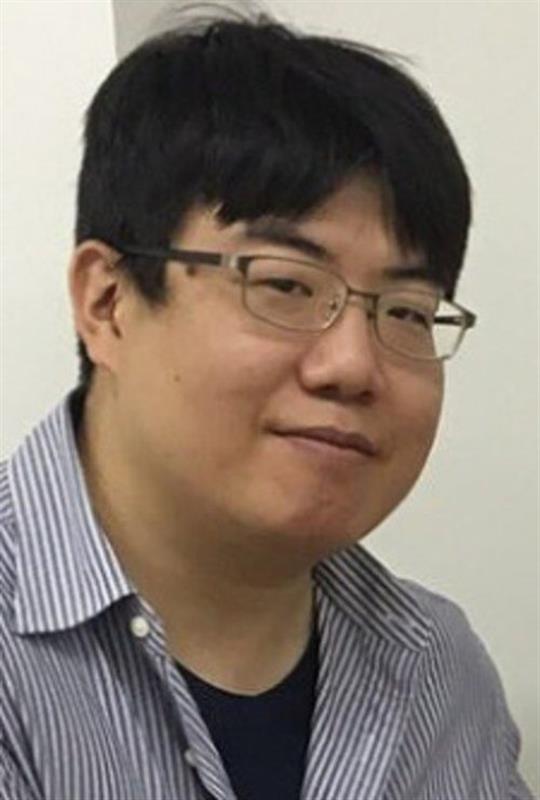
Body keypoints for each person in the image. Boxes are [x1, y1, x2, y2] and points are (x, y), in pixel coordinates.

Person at [0, 7, 534, 800]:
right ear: (108, 303)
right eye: (285, 285)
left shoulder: (439, 669)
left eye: (408, 312)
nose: (353, 365)